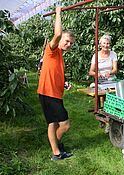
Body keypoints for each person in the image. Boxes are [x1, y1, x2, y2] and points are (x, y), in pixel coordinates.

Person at [37, 7, 75, 161]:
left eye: (71, 43)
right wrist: (58, 12)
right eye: (67, 41)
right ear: (60, 41)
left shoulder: (59, 55)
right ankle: (57, 147)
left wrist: (64, 84)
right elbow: (57, 34)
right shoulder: (52, 50)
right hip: (49, 93)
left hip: (53, 93)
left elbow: (55, 73)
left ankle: (56, 153)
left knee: (52, 123)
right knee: (65, 124)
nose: (68, 44)